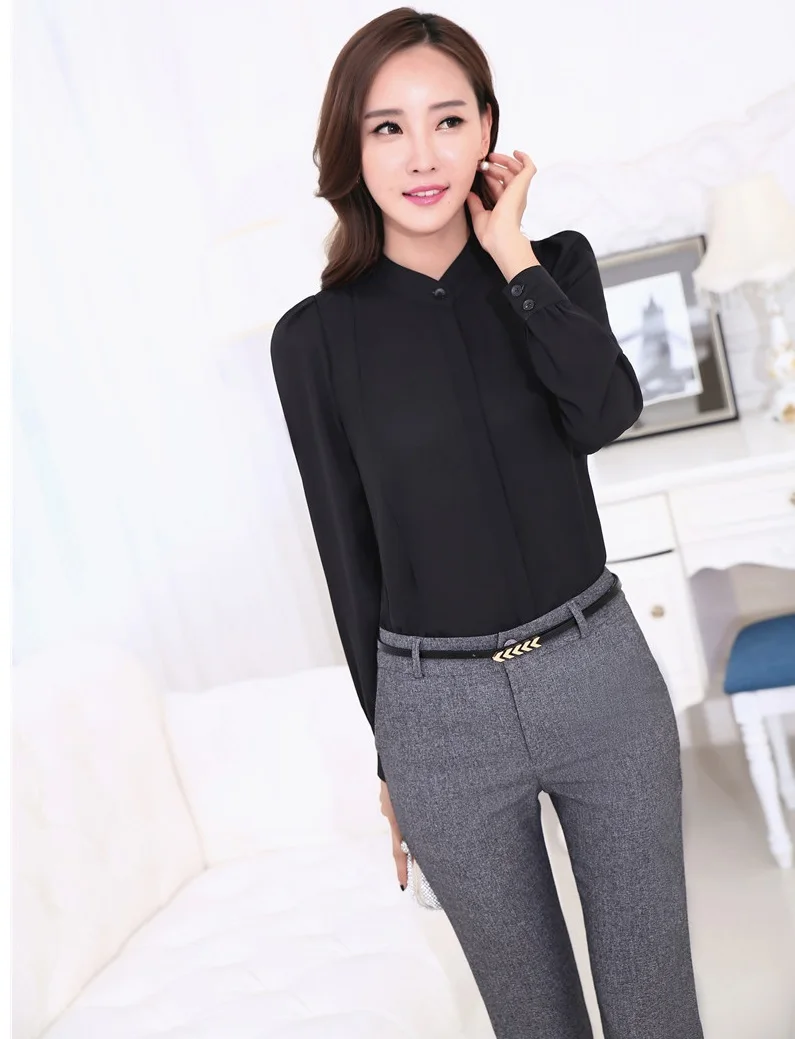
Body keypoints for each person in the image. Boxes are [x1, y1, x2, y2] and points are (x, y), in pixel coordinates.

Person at [270, 8, 705, 1037]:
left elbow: (605, 413)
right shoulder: (314, 340)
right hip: (439, 717)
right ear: (351, 148)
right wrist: (392, 755)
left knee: (654, 1007)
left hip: (600, 678)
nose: (422, 155)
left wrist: (513, 257)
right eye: (387, 127)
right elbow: (349, 559)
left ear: (488, 132)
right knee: (531, 1019)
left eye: (448, 120)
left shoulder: (552, 268)